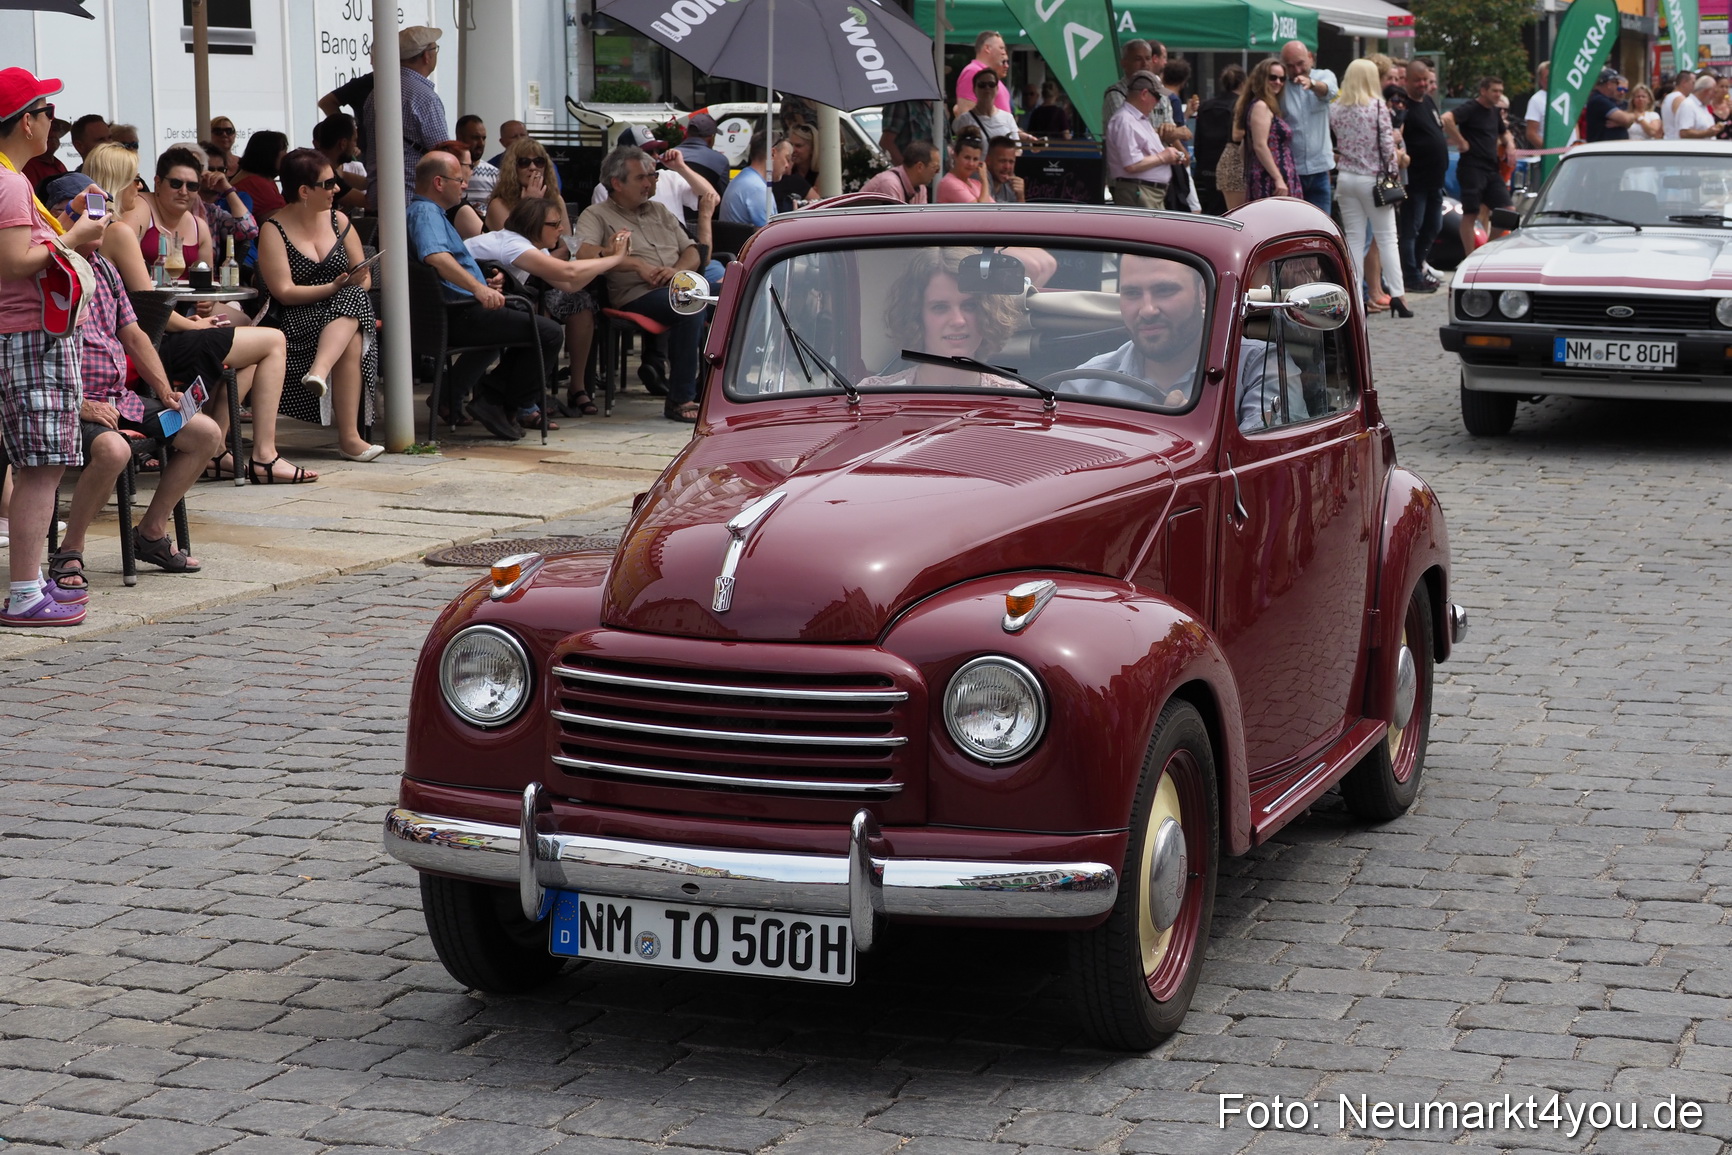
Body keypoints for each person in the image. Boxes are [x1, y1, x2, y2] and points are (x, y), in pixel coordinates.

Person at [41, 174, 224, 587]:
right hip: (69, 403)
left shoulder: (104, 267)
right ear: (60, 218)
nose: (101, 225)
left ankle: (151, 533)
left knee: (204, 433)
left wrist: (164, 390)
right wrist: (81, 404)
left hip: (122, 399)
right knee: (112, 450)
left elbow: (134, 334)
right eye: (92, 216)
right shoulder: (46, 269)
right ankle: (70, 550)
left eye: (103, 217)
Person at [84, 143, 303, 484]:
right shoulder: (120, 230)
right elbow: (148, 307)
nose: (139, 188)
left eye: (192, 186)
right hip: (150, 343)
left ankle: (218, 449)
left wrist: (199, 317)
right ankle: (263, 455)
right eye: (136, 179)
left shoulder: (98, 233)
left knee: (253, 347)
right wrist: (195, 323)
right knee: (273, 340)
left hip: (141, 339)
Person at [0, 68, 112, 626]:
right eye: (49, 115)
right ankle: (24, 592)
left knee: (35, 467)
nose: (55, 125)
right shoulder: (11, 183)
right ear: (27, 122)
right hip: (29, 338)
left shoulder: (11, 181)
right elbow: (14, 262)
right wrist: (74, 238)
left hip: (24, 335)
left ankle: (31, 582)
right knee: (40, 468)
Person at [412, 150, 564, 439]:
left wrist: (483, 277)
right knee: (549, 332)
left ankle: (455, 395)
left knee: (514, 321)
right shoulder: (426, 213)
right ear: (439, 183)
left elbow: (452, 260)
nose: (465, 185)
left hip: (457, 307)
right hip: (459, 312)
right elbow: (437, 258)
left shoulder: (432, 213)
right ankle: (495, 401)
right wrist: (479, 288)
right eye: (459, 180)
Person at [1071, 255, 1303, 429]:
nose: (1148, 309)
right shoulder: (1086, 383)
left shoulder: (1258, 368)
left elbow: (1264, 465)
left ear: (1203, 294)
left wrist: (1184, 431)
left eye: (1165, 290)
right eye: (1132, 294)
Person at [255, 148, 383, 464]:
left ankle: (319, 371)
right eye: (327, 184)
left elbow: (365, 279)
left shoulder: (340, 220)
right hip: (296, 320)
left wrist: (356, 282)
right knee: (352, 321)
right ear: (304, 191)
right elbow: (283, 292)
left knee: (355, 304)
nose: (336, 189)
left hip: (343, 310)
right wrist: (333, 288)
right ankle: (350, 439)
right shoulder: (273, 228)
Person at [465, 196, 628, 420]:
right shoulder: (514, 244)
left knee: (534, 325)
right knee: (543, 331)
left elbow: (570, 284)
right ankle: (515, 402)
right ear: (533, 225)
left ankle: (464, 398)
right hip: (460, 308)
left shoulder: (532, 248)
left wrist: (608, 258)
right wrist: (616, 258)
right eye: (554, 224)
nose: (561, 229)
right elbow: (569, 273)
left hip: (476, 306)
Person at [574, 145, 703, 423]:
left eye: (652, 176)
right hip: (636, 294)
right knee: (690, 304)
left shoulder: (660, 211)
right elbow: (583, 253)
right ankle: (681, 399)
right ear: (616, 183)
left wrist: (676, 270)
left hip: (676, 284)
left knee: (737, 299)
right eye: (641, 178)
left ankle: (708, 388)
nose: (649, 183)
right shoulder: (596, 215)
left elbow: (693, 250)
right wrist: (633, 263)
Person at [856, 248, 1023, 389]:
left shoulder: (1021, 403)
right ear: (915, 316)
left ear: (989, 312)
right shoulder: (873, 398)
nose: (958, 321)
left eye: (970, 306)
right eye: (940, 308)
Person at [1330, 59, 1409, 318]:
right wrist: (1394, 176)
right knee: (1387, 237)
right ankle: (1398, 295)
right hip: (1373, 179)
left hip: (1346, 179)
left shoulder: (1337, 108)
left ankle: (1354, 297)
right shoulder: (1377, 107)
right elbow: (1388, 148)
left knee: (1353, 237)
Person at [361, 26, 448, 197]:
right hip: (412, 196)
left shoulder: (375, 93)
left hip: (378, 194)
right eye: (435, 48)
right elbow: (442, 154)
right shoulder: (425, 98)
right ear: (426, 56)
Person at [1443, 76, 1514, 255]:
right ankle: (1469, 255)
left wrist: (1510, 145)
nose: (1498, 95)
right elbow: (1446, 119)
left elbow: (1504, 133)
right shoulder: (1471, 108)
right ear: (1483, 91)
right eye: (1494, 91)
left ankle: (1485, 251)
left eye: (1500, 91)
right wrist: (1460, 141)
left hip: (1492, 169)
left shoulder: (1494, 112)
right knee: (1471, 213)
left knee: (1508, 211)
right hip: (1472, 167)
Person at [1398, 59, 1447, 294]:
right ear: (1407, 80)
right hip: (1415, 181)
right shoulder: (1404, 106)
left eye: (1426, 80)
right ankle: (1410, 275)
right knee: (1411, 229)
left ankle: (1417, 266)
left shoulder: (1428, 101)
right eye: (1417, 80)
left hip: (1435, 181)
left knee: (1433, 227)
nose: (1422, 84)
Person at [1106, 72, 1187, 209]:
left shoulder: (1139, 119)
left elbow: (1148, 153)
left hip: (1146, 191)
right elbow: (1132, 164)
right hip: (1139, 191)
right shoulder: (1125, 120)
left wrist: (1169, 156)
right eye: (1157, 96)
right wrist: (1164, 156)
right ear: (1144, 94)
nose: (1158, 102)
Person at [1279, 40, 1337, 214]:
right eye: (1290, 66)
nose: (1296, 70)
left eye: (1300, 64)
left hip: (1319, 170)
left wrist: (1312, 84)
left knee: (1321, 227)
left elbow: (1330, 91)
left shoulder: (1324, 75)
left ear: (1310, 58)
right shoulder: (1281, 86)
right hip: (1291, 172)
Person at [1238, 58, 1299, 203]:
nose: (1278, 82)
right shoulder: (1261, 106)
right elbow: (1259, 145)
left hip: (1275, 176)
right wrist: (1278, 178)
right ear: (1262, 78)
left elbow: (1245, 146)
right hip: (1269, 179)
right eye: (1273, 77)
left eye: (1282, 79)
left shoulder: (1266, 105)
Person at [486, 136, 571, 239]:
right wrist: (530, 205)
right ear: (513, 168)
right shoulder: (499, 204)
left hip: (551, 255)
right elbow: (515, 247)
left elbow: (566, 244)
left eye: (539, 161)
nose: (532, 167)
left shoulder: (555, 199)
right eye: (524, 162)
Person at [1104, 39, 1179, 147]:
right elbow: (1128, 133)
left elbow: (1172, 130)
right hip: (1135, 161)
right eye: (1138, 59)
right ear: (1124, 63)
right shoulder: (1116, 93)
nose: (1144, 64)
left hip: (1161, 160)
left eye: (1148, 58)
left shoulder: (1161, 91)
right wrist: (1164, 133)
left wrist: (1172, 131)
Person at [1194, 64, 1245, 215]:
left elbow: (1198, 140)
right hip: (1232, 168)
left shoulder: (1205, 106)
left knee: (1211, 212)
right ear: (1243, 83)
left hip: (1207, 166)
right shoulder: (1240, 106)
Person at [723, 132, 797, 222]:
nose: (787, 165)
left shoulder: (744, 178)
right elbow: (769, 234)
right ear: (772, 153)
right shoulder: (758, 190)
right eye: (787, 158)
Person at [953, 71, 1034, 150]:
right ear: (974, 89)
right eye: (982, 85)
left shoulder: (1008, 118)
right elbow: (961, 153)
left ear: (997, 89)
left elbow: (1017, 150)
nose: (987, 88)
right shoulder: (964, 120)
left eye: (991, 84)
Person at [314, 113, 368, 211]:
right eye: (354, 141)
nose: (355, 146)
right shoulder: (324, 173)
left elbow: (344, 176)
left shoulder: (316, 164)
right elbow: (368, 202)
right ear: (343, 144)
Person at [232, 129, 287, 220]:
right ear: (270, 154)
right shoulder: (256, 184)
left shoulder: (259, 179)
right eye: (283, 150)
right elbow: (282, 221)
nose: (286, 155)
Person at [955, 32, 1013, 117]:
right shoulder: (972, 72)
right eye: (1001, 48)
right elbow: (967, 117)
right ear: (987, 48)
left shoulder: (989, 76)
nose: (1005, 53)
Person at [676, 113, 730, 195]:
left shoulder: (666, 158)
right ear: (711, 138)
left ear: (687, 134)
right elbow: (724, 196)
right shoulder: (720, 161)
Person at [1583, 69, 1638, 143]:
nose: (1617, 86)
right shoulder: (1599, 100)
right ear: (1609, 84)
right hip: (1603, 149)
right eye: (1616, 83)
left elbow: (1631, 120)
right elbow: (1626, 119)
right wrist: (1625, 120)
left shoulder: (1610, 100)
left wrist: (1620, 122)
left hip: (1613, 148)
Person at [455, 114, 498, 209]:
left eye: (484, 138)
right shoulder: (446, 171)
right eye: (475, 138)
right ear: (460, 137)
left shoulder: (495, 174)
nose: (481, 143)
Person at [879, 98, 937, 167]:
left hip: (941, 173)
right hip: (918, 173)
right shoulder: (899, 103)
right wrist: (907, 172)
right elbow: (886, 142)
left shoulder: (938, 105)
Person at [772, 123, 819, 205]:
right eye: (790, 144)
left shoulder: (821, 174)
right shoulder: (785, 173)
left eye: (798, 146)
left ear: (812, 148)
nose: (792, 150)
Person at [937, 131, 990, 203]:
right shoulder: (949, 183)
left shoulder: (977, 184)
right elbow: (981, 210)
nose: (971, 163)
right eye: (967, 158)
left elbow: (995, 210)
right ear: (955, 156)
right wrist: (984, 180)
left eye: (975, 159)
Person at [22, 116, 68, 192]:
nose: (52, 133)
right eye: (49, 128)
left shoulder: (59, 165)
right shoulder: (28, 165)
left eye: (55, 129)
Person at [1676, 75, 1722, 140]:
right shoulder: (1688, 105)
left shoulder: (1702, 106)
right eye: (1714, 92)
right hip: (1694, 149)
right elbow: (1684, 133)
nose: (1714, 96)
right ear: (1706, 91)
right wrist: (1706, 133)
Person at [983, 136, 1026, 203]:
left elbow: (1021, 213)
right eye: (1002, 161)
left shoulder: (1011, 183)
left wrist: (1020, 197)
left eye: (1011, 162)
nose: (1007, 167)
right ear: (988, 160)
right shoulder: (980, 179)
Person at [1661, 70, 1696, 139]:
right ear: (1684, 83)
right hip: (1676, 141)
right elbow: (1683, 123)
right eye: (1693, 83)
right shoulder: (1680, 99)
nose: (1694, 86)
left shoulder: (1668, 97)